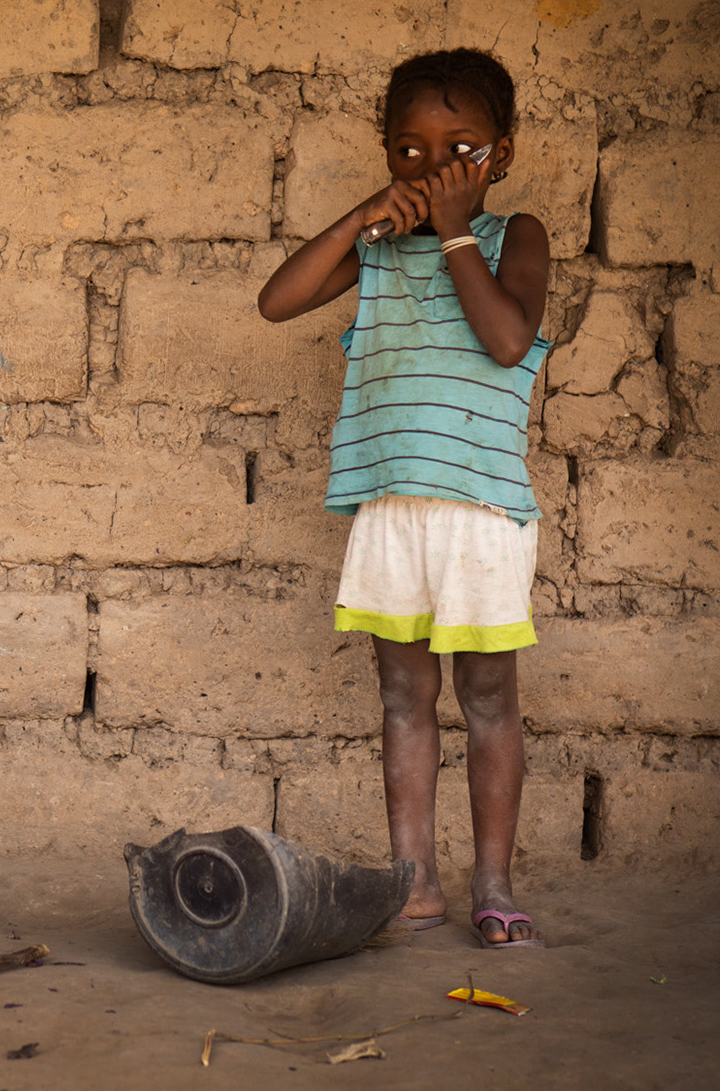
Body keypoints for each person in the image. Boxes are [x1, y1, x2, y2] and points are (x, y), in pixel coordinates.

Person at [256, 49, 553, 947]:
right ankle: (413, 880)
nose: (433, 171)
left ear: (499, 156)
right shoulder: (378, 253)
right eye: (409, 153)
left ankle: (492, 881)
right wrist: (362, 216)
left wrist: (459, 232)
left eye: (459, 149)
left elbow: (506, 340)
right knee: (402, 693)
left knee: (490, 694)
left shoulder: (517, 239)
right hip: (390, 510)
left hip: (482, 515)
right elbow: (278, 301)